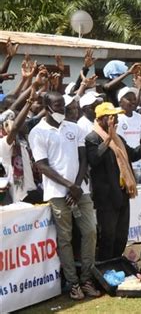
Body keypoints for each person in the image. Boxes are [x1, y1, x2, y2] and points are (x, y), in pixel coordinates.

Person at [28, 91, 99, 300]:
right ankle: (73, 282)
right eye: (57, 106)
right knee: (65, 239)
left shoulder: (74, 128)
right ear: (47, 107)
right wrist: (69, 186)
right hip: (57, 194)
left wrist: (76, 187)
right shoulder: (38, 132)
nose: (62, 110)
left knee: (90, 232)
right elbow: (41, 165)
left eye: (63, 106)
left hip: (80, 192)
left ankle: (86, 279)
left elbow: (83, 158)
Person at [85, 102, 141, 261]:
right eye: (112, 117)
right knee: (108, 237)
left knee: (121, 237)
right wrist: (108, 138)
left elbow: (133, 154)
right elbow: (94, 159)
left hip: (123, 193)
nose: (116, 119)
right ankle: (106, 268)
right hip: (106, 197)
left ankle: (117, 265)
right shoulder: (92, 138)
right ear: (102, 119)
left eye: (116, 116)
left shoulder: (118, 138)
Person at [116, 87, 141, 170]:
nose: (133, 101)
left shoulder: (140, 118)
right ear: (120, 102)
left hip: (137, 164)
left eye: (134, 99)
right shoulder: (115, 118)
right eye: (129, 99)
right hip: (120, 164)